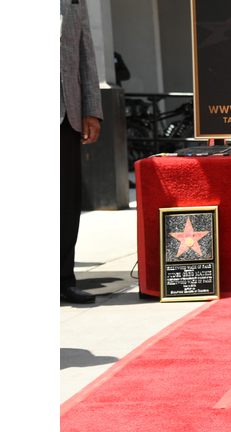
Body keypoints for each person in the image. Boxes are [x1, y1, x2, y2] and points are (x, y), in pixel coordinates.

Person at [61, 0, 103, 303]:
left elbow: (86, 52)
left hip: (67, 115)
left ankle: (64, 279)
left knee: (65, 201)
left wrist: (92, 109)